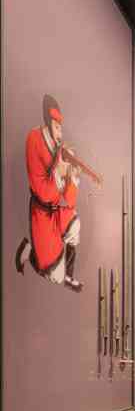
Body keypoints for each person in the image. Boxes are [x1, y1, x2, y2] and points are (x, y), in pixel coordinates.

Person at [14, 95, 83, 291]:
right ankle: (30, 250)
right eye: (57, 127)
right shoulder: (34, 139)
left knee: (75, 225)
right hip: (41, 215)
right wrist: (59, 172)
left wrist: (73, 177)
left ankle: (69, 276)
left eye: (61, 127)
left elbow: (70, 201)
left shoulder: (59, 148)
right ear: (48, 123)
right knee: (54, 276)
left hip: (54, 212)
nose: (60, 132)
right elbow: (42, 191)